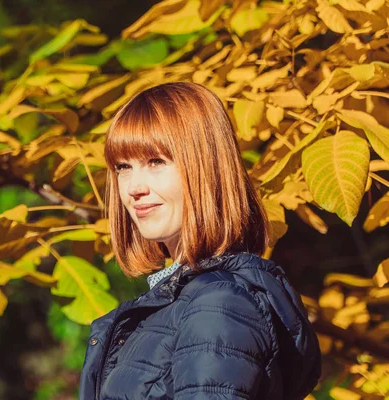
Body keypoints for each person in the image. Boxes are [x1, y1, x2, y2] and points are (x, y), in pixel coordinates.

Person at [79, 82, 321, 399]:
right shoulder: (182, 299)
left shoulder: (218, 303)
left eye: (156, 162)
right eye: (124, 167)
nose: (133, 187)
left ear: (205, 167)